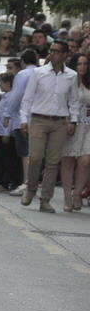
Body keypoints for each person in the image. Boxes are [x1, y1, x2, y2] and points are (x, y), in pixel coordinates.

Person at [19, 40, 79, 213]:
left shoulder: (72, 76)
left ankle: (45, 199)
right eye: (51, 50)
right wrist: (23, 119)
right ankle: (30, 189)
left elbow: (74, 100)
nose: (53, 54)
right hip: (39, 119)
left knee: (53, 162)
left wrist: (73, 121)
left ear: (65, 55)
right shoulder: (39, 72)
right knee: (36, 157)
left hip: (59, 122)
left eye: (57, 51)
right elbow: (27, 98)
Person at [2, 49, 39, 196]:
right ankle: (32, 182)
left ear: (23, 61)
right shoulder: (41, 72)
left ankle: (27, 183)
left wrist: (7, 114)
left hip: (22, 118)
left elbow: (16, 95)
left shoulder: (22, 74)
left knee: (25, 154)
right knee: (35, 154)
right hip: (39, 118)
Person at [59, 53, 90, 212]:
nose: (82, 67)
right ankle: (67, 198)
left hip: (87, 126)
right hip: (70, 124)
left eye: (85, 64)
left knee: (86, 161)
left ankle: (77, 193)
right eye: (79, 64)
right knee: (68, 161)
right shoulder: (67, 81)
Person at [0, 72, 22, 191]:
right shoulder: (4, 96)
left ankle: (4, 183)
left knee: (6, 159)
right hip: (0, 132)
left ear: (8, 83)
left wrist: (7, 132)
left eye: (1, 83)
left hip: (6, 133)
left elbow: (10, 116)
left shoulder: (12, 97)